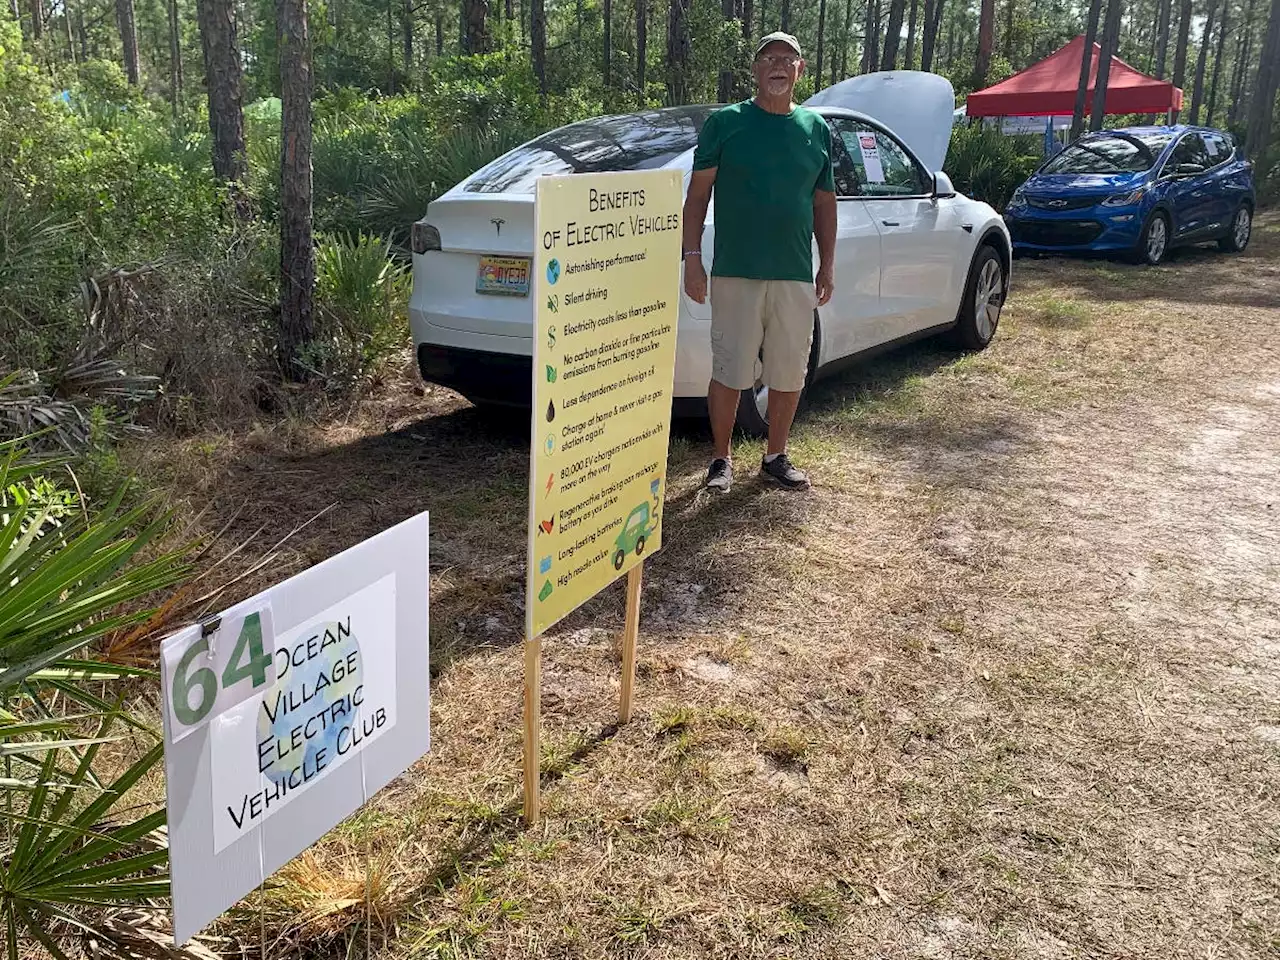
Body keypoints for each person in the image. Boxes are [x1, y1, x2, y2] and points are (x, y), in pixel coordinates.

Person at [682, 31, 837, 493]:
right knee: (729, 369)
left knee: (790, 369)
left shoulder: (815, 129)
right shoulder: (726, 123)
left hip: (792, 273)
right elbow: (697, 196)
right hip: (736, 270)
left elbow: (824, 204)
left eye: (787, 59)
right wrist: (692, 258)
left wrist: (826, 265)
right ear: (755, 70)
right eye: (769, 58)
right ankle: (720, 459)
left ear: (800, 70)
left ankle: (775, 455)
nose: (778, 65)